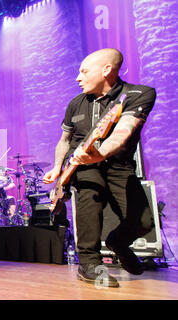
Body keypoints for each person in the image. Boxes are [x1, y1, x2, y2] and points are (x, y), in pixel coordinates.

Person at [43, 48, 156, 288]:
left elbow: (123, 131)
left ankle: (117, 242)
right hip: (83, 166)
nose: (78, 78)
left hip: (119, 166)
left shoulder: (137, 94)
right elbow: (64, 140)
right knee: (89, 204)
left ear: (106, 70)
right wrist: (56, 167)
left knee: (144, 222)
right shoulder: (76, 103)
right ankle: (89, 263)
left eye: (84, 71)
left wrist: (100, 153)